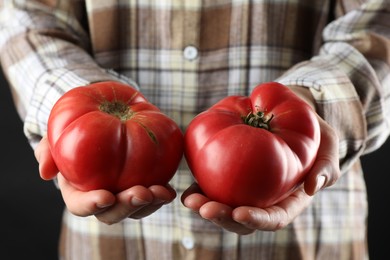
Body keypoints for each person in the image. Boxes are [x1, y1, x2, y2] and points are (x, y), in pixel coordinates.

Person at [0, 0, 389, 259]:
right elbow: (29, 20)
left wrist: (312, 103)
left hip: (309, 233)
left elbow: (379, 22)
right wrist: (70, 106)